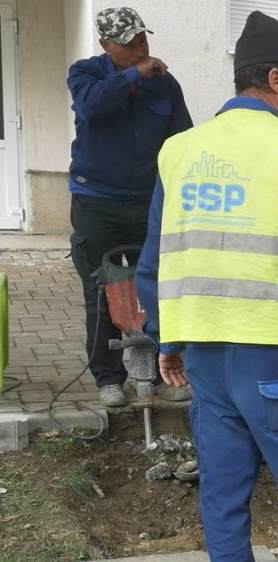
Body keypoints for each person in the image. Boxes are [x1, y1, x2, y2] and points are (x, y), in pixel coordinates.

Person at [135, 11, 278, 562]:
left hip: (206, 360)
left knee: (222, 496)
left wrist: (167, 338)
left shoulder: (179, 152)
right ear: (276, 79)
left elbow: (156, 262)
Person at [68, 6, 193, 407]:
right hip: (97, 201)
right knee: (101, 289)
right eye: (129, 43)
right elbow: (92, 106)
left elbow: (181, 140)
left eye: (143, 39)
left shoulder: (165, 85)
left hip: (148, 203)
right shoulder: (86, 74)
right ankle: (109, 378)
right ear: (105, 44)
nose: (141, 49)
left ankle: (160, 372)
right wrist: (134, 75)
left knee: (155, 287)